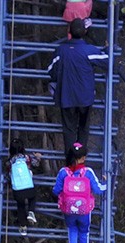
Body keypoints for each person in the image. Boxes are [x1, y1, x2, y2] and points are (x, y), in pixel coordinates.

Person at [47, 17, 109, 151]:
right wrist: (107, 49)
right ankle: (80, 161)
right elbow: (108, 62)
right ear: (85, 32)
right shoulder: (89, 51)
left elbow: (51, 71)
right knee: (83, 129)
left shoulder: (61, 51)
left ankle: (70, 163)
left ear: (69, 30)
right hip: (85, 98)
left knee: (69, 131)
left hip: (66, 97)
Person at [52, 142, 107, 243]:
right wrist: (107, 184)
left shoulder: (63, 172)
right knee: (84, 231)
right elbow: (98, 189)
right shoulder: (88, 172)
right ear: (83, 158)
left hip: (68, 209)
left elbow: (56, 190)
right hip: (84, 210)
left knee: (72, 228)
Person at [6, 139, 43, 236]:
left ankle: (23, 227)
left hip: (17, 189)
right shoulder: (26, 158)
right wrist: (38, 157)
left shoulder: (9, 162)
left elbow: (8, 173)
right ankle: (31, 211)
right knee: (33, 197)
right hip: (28, 186)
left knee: (20, 205)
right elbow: (36, 164)